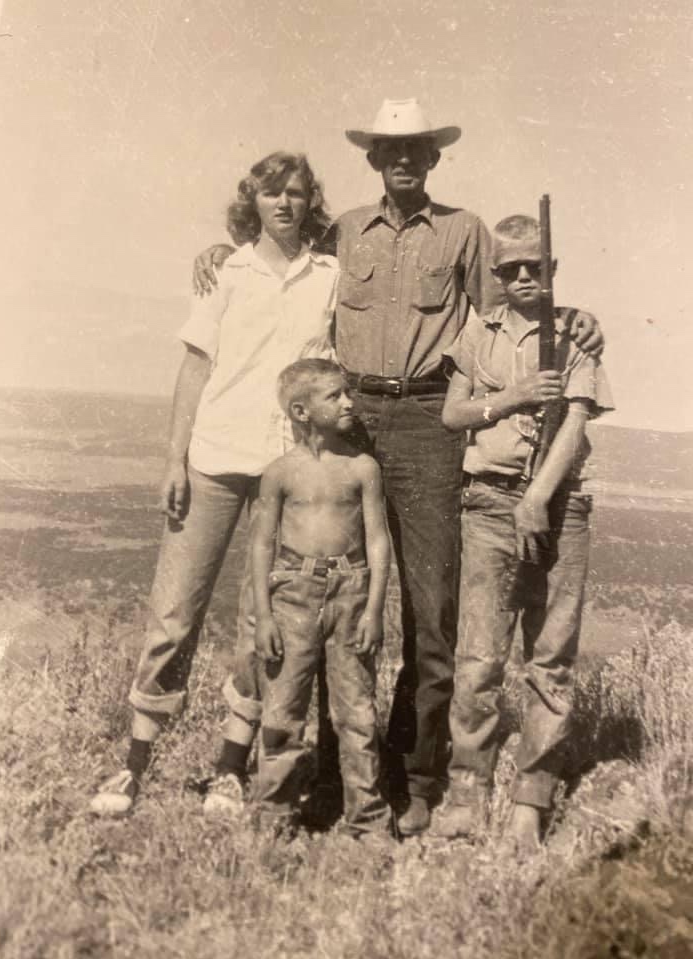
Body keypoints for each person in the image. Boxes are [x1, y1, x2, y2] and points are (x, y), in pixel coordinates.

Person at [193, 98, 604, 836]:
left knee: (430, 607)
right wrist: (221, 251)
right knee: (334, 594)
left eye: (417, 148)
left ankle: (416, 776)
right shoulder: (345, 230)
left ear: (434, 157)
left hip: (427, 421)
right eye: (392, 150)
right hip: (348, 415)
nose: (405, 160)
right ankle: (334, 774)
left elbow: (513, 312)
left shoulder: (465, 230)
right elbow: (279, 246)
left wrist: (572, 318)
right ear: (375, 160)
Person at [90, 152, 338, 817]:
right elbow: (196, 368)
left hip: (287, 466)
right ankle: (133, 764)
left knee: (262, 618)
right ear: (252, 200)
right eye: (271, 192)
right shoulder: (224, 271)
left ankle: (230, 767)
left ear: (310, 202)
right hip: (214, 456)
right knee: (175, 609)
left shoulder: (330, 276)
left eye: (296, 193)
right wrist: (175, 460)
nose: (283, 203)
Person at [434, 214, 614, 852]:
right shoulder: (477, 332)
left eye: (534, 266)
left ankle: (531, 802)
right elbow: (454, 414)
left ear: (552, 269)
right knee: (478, 659)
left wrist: (538, 498)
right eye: (509, 269)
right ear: (496, 274)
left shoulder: (575, 334)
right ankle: (465, 794)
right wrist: (512, 397)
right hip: (487, 505)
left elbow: (576, 422)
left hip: (560, 508)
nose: (521, 278)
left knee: (550, 659)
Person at [249, 359, 390, 836]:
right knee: (283, 709)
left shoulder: (362, 468)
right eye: (335, 396)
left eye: (347, 392)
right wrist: (264, 616)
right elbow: (262, 544)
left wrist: (374, 609)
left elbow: (377, 541)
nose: (349, 402)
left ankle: (368, 820)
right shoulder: (280, 474)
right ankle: (273, 816)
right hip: (293, 595)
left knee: (357, 712)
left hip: (351, 593)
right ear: (301, 411)